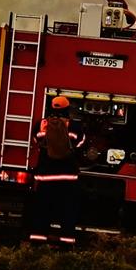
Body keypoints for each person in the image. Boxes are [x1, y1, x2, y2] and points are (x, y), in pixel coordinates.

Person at [28, 95, 85, 247]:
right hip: (68, 180)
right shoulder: (74, 127)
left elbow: (36, 142)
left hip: (45, 179)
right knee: (68, 215)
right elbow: (80, 145)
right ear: (68, 109)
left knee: (41, 213)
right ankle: (66, 247)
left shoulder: (41, 125)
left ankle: (36, 247)